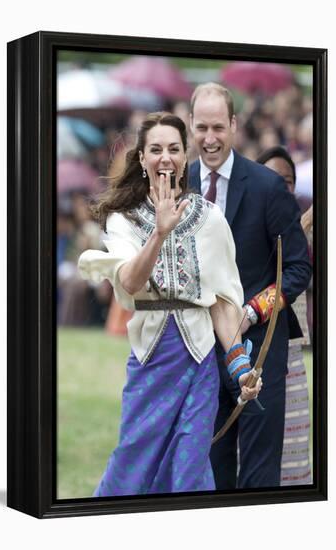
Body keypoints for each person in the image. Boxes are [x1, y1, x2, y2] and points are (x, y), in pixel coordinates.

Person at [78, 112, 261, 496]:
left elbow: (222, 304)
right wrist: (159, 234)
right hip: (151, 359)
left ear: (185, 155)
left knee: (190, 468)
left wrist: (241, 368)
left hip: (200, 362)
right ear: (142, 159)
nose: (166, 157)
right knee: (133, 459)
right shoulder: (123, 219)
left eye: (174, 149)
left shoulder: (210, 218)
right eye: (156, 149)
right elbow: (129, 281)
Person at [188, 83, 312, 489]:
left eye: (218, 127)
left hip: (258, 348)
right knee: (209, 472)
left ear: (235, 125)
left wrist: (253, 311)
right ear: (191, 126)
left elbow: (296, 269)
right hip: (197, 353)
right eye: (202, 127)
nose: (210, 138)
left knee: (258, 478)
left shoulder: (267, 187)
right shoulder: (178, 186)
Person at [256, 146, 313, 485]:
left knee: (293, 451)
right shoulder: (247, 226)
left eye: (287, 182)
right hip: (252, 349)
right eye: (273, 180)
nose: (281, 188)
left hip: (291, 355)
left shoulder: (302, 230)